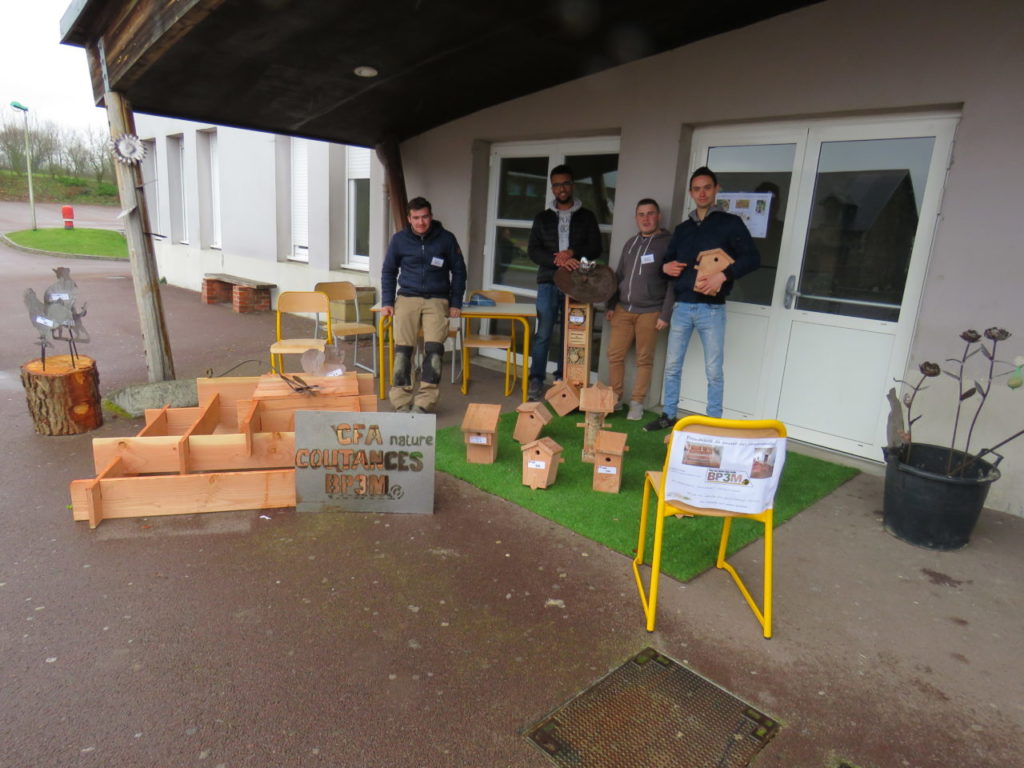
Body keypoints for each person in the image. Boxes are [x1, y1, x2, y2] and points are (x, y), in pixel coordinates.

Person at [644, 167, 760, 431]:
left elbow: (753, 258)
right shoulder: (683, 228)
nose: (702, 193)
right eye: (697, 189)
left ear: (716, 189)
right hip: (682, 306)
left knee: (714, 371)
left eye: (707, 187)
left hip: (712, 309)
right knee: (672, 366)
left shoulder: (731, 223)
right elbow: (668, 259)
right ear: (690, 193)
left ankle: (713, 423)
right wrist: (665, 267)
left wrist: (724, 275)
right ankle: (669, 415)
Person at [380, 197, 466, 413]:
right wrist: (388, 302)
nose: (421, 222)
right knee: (402, 351)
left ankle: (424, 402)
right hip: (407, 298)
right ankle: (401, 401)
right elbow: (389, 271)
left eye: (425, 216)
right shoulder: (399, 240)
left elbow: (459, 271)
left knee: (434, 351)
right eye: (416, 218)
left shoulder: (446, 239)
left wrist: (455, 302)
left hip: (437, 299)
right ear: (409, 219)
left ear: (431, 216)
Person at [526, 164, 602, 400]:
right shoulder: (542, 217)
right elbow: (533, 250)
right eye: (557, 184)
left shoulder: (587, 216)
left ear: (572, 185)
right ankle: (536, 380)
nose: (562, 188)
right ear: (552, 188)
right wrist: (557, 259)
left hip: (577, 283)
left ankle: (562, 379)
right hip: (548, 282)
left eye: (566, 183)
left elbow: (596, 247)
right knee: (544, 333)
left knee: (570, 335)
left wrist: (573, 253)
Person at [605, 198, 673, 420]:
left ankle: (637, 403)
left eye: (650, 213)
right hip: (624, 309)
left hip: (651, 311)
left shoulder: (668, 243)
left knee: (644, 359)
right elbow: (619, 276)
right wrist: (611, 304)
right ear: (636, 218)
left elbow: (674, 283)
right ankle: (615, 398)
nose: (646, 218)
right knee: (614, 354)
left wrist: (665, 314)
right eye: (641, 214)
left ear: (658, 216)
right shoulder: (630, 243)